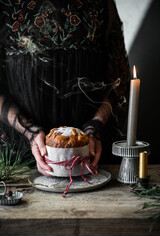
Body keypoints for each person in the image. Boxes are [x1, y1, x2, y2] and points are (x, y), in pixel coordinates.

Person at [0, 0, 130, 176]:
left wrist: (95, 126)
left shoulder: (101, 4)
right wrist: (29, 131)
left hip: (91, 157)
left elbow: (119, 78)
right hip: (17, 160)